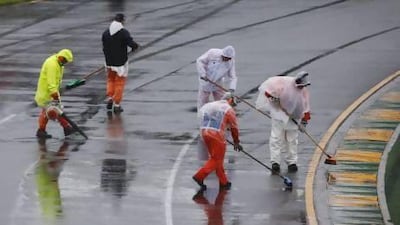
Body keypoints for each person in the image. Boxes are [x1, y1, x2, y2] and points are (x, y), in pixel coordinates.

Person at [255, 71, 311, 173]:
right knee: (276, 138)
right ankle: (275, 162)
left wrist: (304, 122)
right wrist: (273, 99)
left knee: (292, 140)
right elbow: (268, 92)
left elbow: (306, 108)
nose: (301, 87)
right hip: (279, 113)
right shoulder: (283, 84)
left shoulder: (303, 91)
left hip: (294, 117)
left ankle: (292, 162)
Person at [192, 93, 243, 190]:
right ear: (230, 100)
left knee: (216, 159)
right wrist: (236, 142)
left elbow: (201, 117)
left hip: (205, 133)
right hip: (217, 136)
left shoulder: (211, 105)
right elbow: (234, 128)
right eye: (233, 104)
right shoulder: (228, 109)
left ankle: (224, 182)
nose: (233, 107)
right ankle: (199, 176)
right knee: (216, 159)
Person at [102, 13, 140, 113]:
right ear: (122, 21)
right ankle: (117, 105)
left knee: (110, 80)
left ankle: (110, 98)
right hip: (120, 63)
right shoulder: (123, 32)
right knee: (119, 83)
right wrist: (135, 46)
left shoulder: (106, 33)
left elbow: (104, 47)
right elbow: (131, 43)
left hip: (109, 62)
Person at [35, 49, 75, 139]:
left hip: (49, 93)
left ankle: (41, 131)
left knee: (49, 112)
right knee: (56, 110)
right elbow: (51, 82)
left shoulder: (59, 64)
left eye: (66, 61)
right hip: (46, 94)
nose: (65, 62)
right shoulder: (52, 65)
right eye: (64, 60)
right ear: (60, 56)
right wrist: (55, 95)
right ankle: (67, 128)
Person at [196, 45, 237, 112]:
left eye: (229, 58)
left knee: (221, 103)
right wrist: (203, 74)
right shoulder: (212, 53)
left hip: (218, 83)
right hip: (206, 81)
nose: (227, 60)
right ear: (223, 55)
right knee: (203, 101)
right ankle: (202, 116)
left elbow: (233, 77)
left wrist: (232, 89)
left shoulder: (231, 62)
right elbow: (200, 61)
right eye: (225, 58)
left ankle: (220, 117)